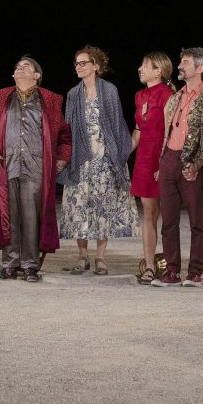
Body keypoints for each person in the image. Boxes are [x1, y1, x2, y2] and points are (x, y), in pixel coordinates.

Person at [0, 55, 71, 282]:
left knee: (31, 216)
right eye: (17, 67)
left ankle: (30, 265)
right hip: (7, 165)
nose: (19, 69)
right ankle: (10, 264)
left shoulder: (51, 100)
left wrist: (62, 159)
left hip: (37, 167)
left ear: (36, 75)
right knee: (9, 215)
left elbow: (64, 135)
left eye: (25, 67)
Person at [58, 45, 134, 275]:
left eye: (83, 63)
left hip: (105, 159)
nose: (78, 67)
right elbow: (67, 128)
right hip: (80, 160)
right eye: (77, 63)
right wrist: (65, 156)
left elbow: (117, 123)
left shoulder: (109, 90)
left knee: (103, 208)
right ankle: (83, 256)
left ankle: (101, 257)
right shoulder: (73, 94)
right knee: (79, 206)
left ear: (96, 66)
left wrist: (119, 155)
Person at [154, 47, 203, 287]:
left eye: (186, 62)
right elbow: (168, 128)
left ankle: (195, 272)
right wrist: (163, 160)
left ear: (200, 68)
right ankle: (171, 271)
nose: (180, 66)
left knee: (198, 219)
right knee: (168, 219)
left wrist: (197, 161)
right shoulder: (176, 96)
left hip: (194, 160)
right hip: (170, 157)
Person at [130, 52, 174, 285]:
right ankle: (149, 265)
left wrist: (163, 162)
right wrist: (124, 151)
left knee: (168, 214)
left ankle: (172, 265)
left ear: (159, 71)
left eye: (145, 65)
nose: (140, 68)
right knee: (148, 213)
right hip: (144, 159)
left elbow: (171, 131)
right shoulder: (139, 96)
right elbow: (138, 129)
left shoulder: (168, 95)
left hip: (162, 156)